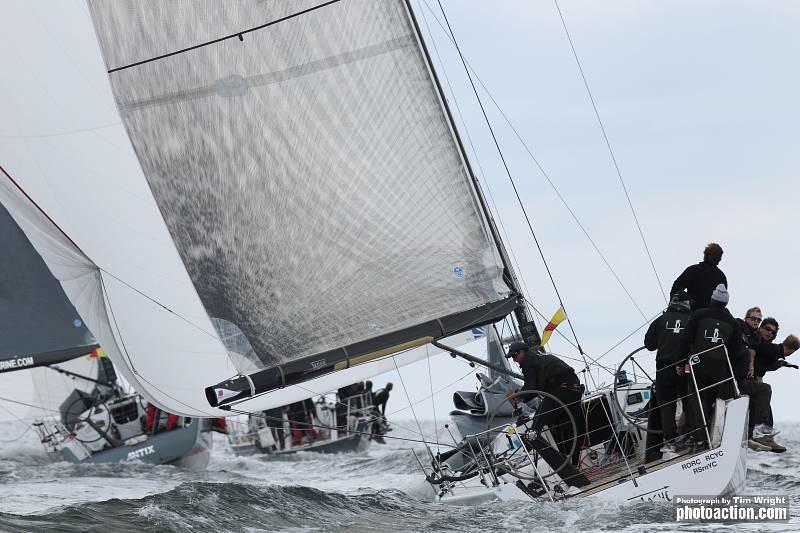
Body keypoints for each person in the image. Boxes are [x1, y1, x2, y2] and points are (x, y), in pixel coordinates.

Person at [505, 341, 590, 488]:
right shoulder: (539, 356)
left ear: (521, 352)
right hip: (575, 389)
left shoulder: (527, 361)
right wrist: (521, 397)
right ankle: (574, 464)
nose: (514, 360)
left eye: (514, 356)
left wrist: (516, 396)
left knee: (536, 425)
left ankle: (531, 443)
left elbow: (532, 387)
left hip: (560, 389)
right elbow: (535, 389)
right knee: (572, 427)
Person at [678, 284, 742, 448]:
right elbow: (736, 351)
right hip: (720, 368)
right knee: (713, 400)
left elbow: (686, 340)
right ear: (726, 303)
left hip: (698, 364)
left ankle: (700, 438)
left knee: (698, 400)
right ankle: (713, 436)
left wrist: (680, 363)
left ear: (712, 299)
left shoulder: (699, 315)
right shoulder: (733, 323)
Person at [644, 291, 691, 457]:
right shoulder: (692, 320)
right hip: (685, 366)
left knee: (667, 405)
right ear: (687, 304)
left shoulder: (660, 320)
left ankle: (670, 442)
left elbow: (649, 344)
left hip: (663, 366)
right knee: (688, 400)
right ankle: (691, 436)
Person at [749, 333, 800, 452]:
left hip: (753, 379)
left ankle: (767, 436)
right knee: (766, 390)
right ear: (792, 350)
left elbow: (767, 364)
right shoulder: (773, 349)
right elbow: (753, 347)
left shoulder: (776, 353)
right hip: (749, 378)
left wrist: (783, 364)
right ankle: (760, 431)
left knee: (767, 406)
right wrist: (751, 366)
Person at [670, 243, 727, 309]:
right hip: (712, 315)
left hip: (692, 313)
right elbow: (722, 301)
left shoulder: (693, 270)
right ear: (719, 259)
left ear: (705, 255)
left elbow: (676, 288)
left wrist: (673, 307)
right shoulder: (721, 277)